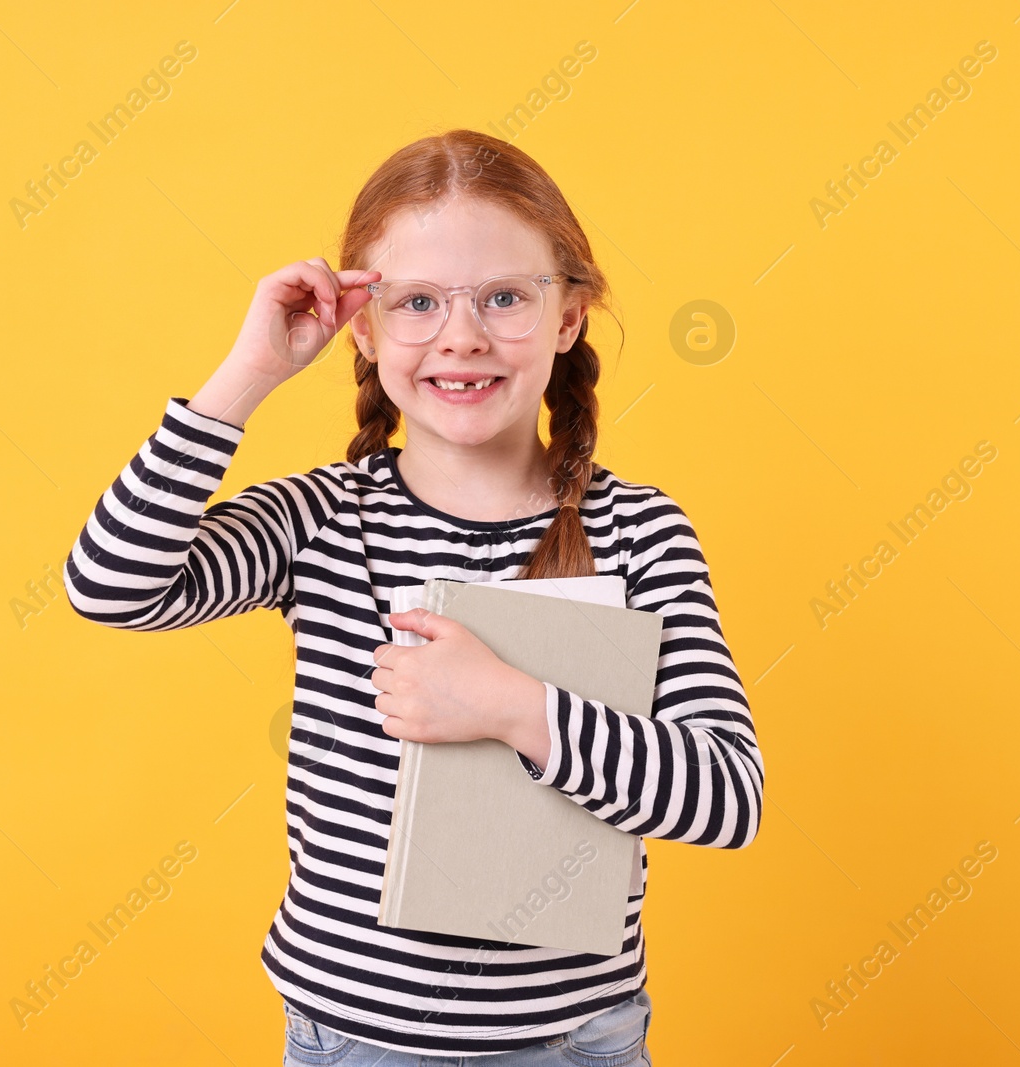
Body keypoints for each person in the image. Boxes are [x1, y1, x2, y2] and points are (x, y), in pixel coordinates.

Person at [62, 128, 763, 1064]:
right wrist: (249, 374)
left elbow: (725, 794)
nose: (462, 336)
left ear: (570, 317)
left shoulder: (638, 532)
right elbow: (111, 585)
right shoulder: (322, 519)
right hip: (352, 1040)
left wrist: (512, 705)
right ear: (363, 324)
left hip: (570, 1042)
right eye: (419, 302)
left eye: (506, 297)